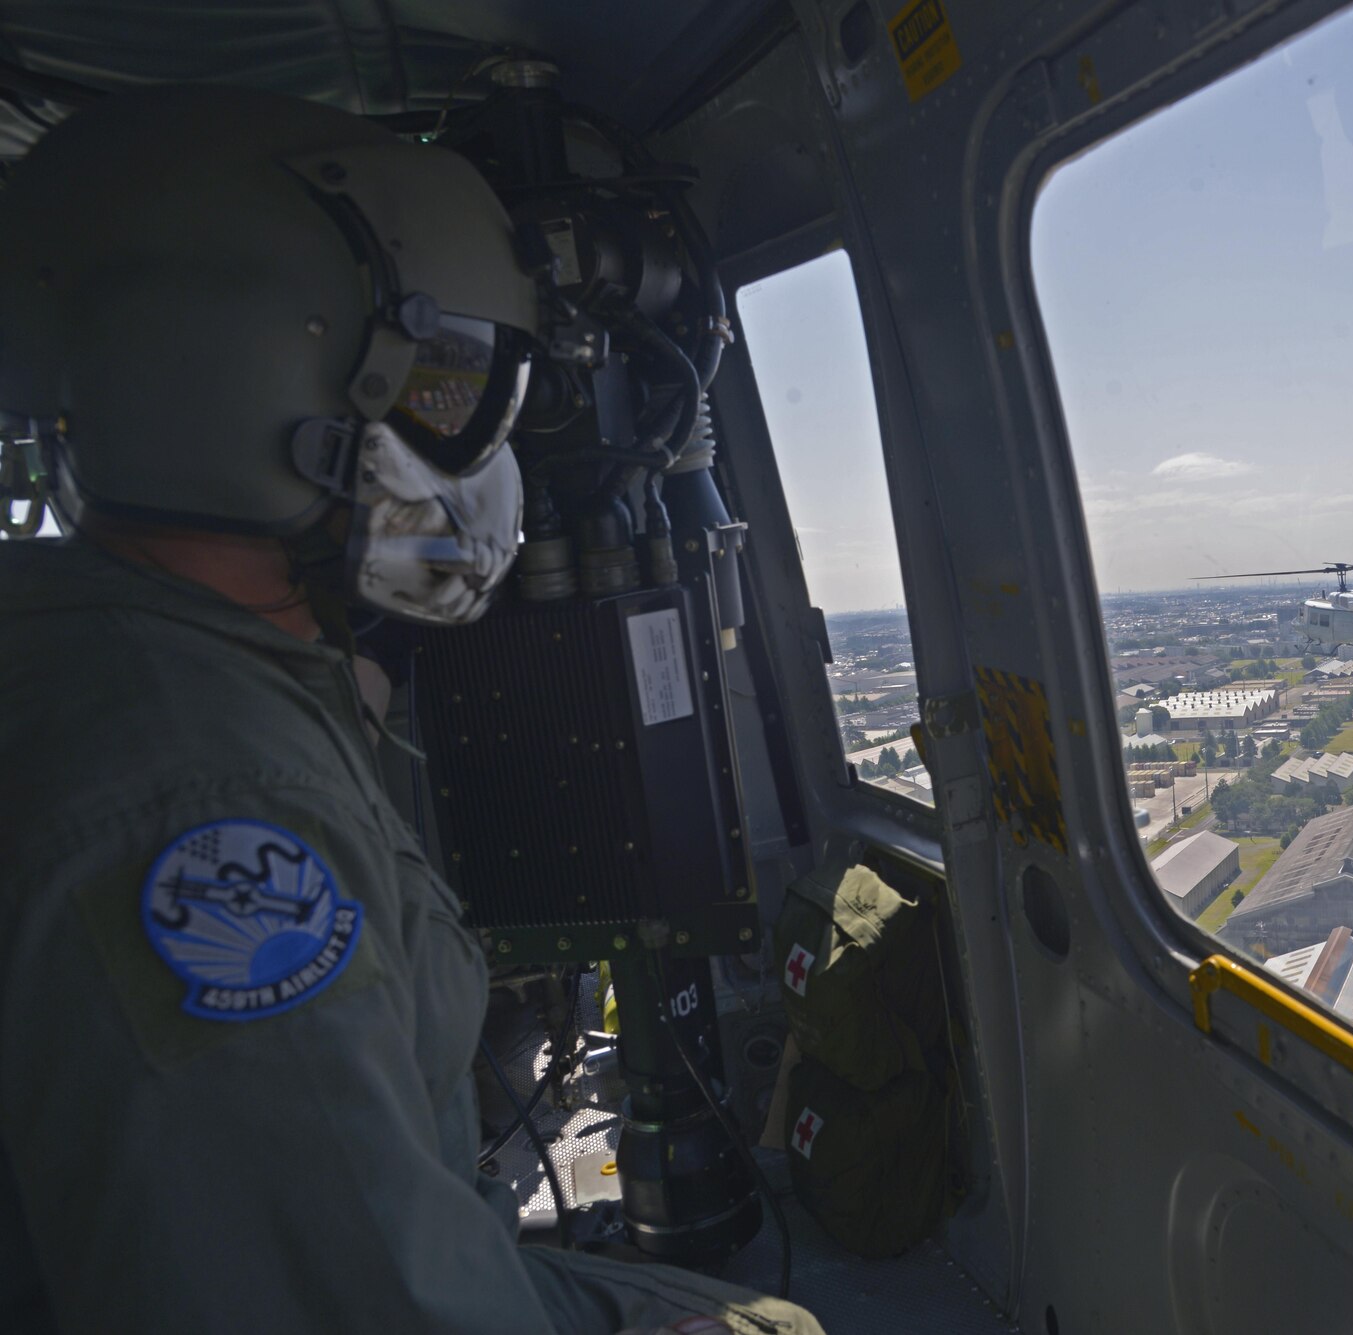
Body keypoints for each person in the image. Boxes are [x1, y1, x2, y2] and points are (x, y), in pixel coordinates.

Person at [0, 85, 821, 1335]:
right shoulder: (211, 807)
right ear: (257, 382)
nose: (480, 462)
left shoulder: (133, 666)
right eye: (445, 393)